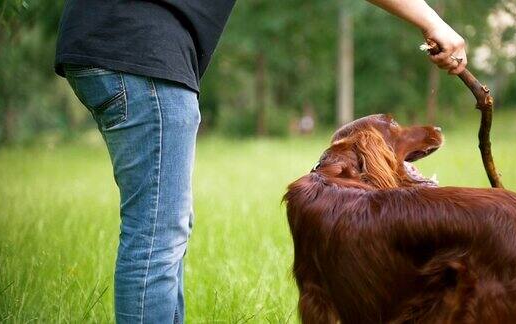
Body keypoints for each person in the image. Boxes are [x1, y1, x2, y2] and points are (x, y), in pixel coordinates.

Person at [54, 0, 467, 322]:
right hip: (140, 50)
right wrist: (433, 22)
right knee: (156, 235)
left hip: (107, 41)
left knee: (160, 231)